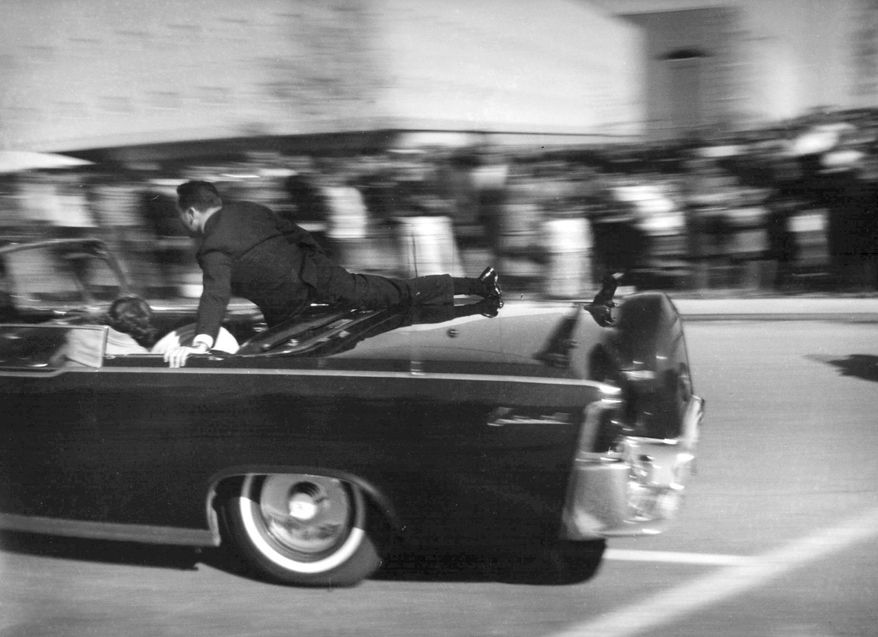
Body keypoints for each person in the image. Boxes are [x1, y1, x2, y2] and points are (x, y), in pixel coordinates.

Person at [164, 180, 503, 368]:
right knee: (396, 292)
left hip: (287, 313)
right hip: (320, 278)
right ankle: (476, 286)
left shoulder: (210, 247)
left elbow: (215, 294)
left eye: (183, 216)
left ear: (192, 212)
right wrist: (319, 266)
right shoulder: (250, 210)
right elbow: (297, 233)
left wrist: (202, 340)